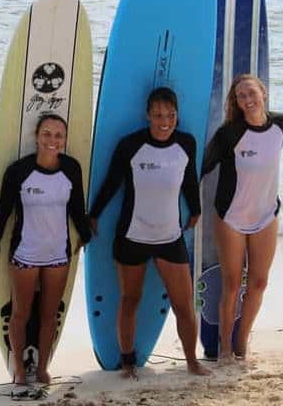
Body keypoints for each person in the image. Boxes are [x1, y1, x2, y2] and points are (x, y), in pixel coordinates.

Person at [89, 87, 210, 378]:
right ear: (148, 115)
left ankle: (192, 361)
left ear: (177, 115)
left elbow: (190, 181)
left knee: (183, 304)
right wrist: (93, 215)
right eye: (158, 115)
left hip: (170, 237)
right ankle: (128, 362)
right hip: (132, 235)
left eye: (170, 115)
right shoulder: (130, 145)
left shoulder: (186, 143)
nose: (164, 121)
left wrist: (195, 210)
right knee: (130, 299)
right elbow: (112, 182)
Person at [0, 114, 91, 385]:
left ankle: (42, 368)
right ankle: (19, 370)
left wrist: (86, 234)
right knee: (20, 313)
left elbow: (77, 207)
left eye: (58, 135)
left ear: (64, 140)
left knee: (49, 315)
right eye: (47, 134)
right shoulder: (19, 171)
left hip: (58, 255)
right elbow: (3, 209)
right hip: (25, 254)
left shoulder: (71, 169)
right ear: (37, 136)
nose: (52, 140)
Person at [202, 74, 283, 364]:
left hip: (266, 214)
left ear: (263, 93)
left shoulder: (280, 124)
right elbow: (202, 168)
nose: (248, 99)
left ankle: (241, 343)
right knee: (232, 284)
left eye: (252, 93)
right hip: (232, 217)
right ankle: (225, 348)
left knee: (259, 282)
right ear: (236, 103)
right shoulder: (229, 134)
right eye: (241, 96)